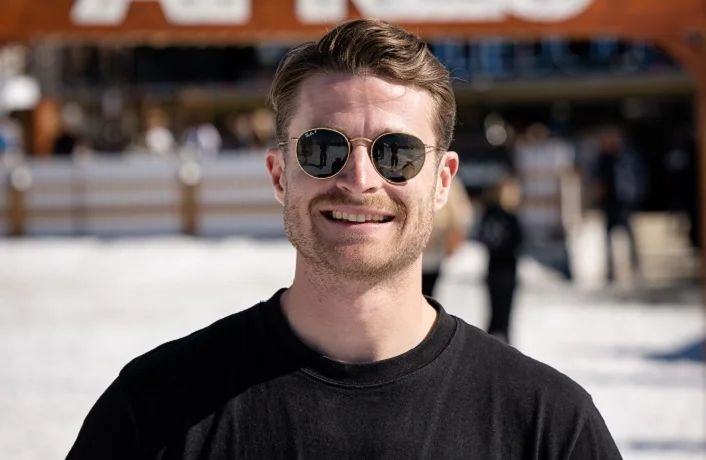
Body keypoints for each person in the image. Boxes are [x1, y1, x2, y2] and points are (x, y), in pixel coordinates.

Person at [66, 19, 623, 460]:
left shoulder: (548, 426)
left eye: (397, 153)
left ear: (441, 181)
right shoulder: (154, 408)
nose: (359, 180)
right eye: (323, 149)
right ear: (280, 175)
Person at [593, 128, 645, 283]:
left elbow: (635, 176)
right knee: (608, 236)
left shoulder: (626, 156)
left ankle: (635, 265)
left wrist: (635, 195)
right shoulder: (602, 158)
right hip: (609, 202)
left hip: (624, 200)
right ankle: (610, 269)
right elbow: (598, 179)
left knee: (628, 234)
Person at [477, 177, 524, 344]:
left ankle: (492, 341)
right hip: (507, 267)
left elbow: (481, 237)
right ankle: (501, 343)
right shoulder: (510, 216)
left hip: (494, 267)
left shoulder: (488, 215)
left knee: (494, 309)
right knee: (504, 312)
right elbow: (519, 241)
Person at [422, 177, 473, 297]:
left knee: (427, 285)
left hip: (436, 239)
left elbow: (461, 213)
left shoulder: (449, 180)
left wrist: (455, 232)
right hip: (420, 238)